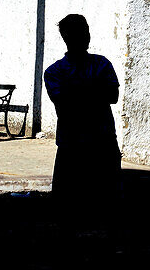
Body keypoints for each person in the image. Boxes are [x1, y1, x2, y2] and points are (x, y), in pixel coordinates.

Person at [43, 13, 122, 217]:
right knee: (71, 207)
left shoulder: (99, 64)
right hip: (74, 144)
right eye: (79, 33)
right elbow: (64, 105)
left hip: (100, 142)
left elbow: (112, 96)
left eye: (85, 31)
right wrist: (94, 90)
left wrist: (76, 91)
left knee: (104, 205)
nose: (85, 36)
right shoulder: (56, 71)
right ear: (66, 37)